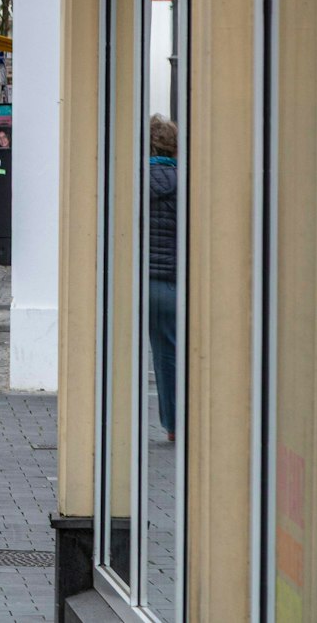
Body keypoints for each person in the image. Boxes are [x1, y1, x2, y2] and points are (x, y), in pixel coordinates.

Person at [147, 114, 179, 442]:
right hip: (175, 279)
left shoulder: (132, 180)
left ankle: (173, 423)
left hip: (142, 281)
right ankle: (178, 423)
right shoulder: (186, 181)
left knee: (164, 354)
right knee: (175, 354)